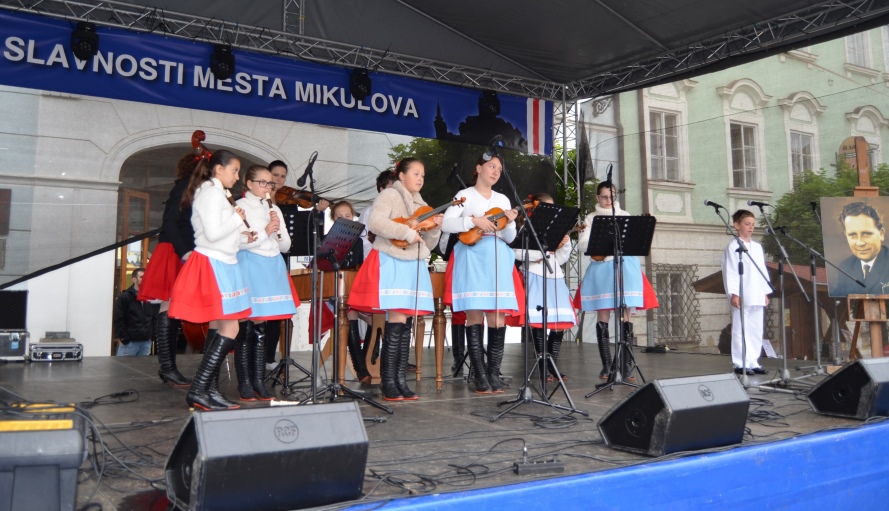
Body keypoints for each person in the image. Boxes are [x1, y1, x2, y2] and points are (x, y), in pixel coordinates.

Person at [348, 158, 442, 401]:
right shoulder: (389, 195)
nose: (420, 178)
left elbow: (429, 244)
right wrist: (407, 232)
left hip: (413, 263)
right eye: (415, 173)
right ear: (401, 176)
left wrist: (434, 229)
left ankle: (399, 380)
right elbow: (376, 223)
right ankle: (388, 381)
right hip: (392, 260)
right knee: (397, 319)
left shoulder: (422, 204)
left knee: (406, 322)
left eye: (423, 175)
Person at [169, 149, 255, 411]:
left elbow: (221, 235)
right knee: (231, 328)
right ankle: (199, 389)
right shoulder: (210, 193)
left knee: (220, 326)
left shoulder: (218, 193)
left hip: (224, 262)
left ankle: (209, 390)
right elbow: (214, 234)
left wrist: (242, 237)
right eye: (234, 171)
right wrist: (237, 218)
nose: (237, 177)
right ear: (218, 169)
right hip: (213, 263)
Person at [441, 153, 522, 394]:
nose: (496, 171)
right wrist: (473, 221)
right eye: (491, 166)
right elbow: (446, 223)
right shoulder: (464, 195)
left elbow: (510, 237)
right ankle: (478, 374)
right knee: (474, 315)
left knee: (497, 316)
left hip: (496, 257)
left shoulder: (503, 199)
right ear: (478, 168)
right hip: (472, 255)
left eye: (499, 169)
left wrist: (511, 222)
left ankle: (493, 373)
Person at [576, 181, 654, 381]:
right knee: (603, 315)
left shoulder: (625, 215)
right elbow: (582, 244)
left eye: (611, 196)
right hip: (602, 268)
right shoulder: (591, 218)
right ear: (597, 197)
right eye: (604, 197)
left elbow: (634, 240)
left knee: (624, 314)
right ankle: (606, 365)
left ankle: (626, 364)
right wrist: (601, 243)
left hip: (624, 266)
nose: (608, 200)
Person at [234, 165, 300, 401]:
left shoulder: (275, 209)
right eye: (262, 182)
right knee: (246, 325)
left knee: (261, 325)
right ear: (249, 184)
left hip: (272, 265)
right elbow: (238, 242)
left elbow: (286, 246)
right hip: (251, 264)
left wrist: (276, 230)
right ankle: (244, 382)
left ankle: (258, 379)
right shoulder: (239, 206)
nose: (267, 187)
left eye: (269, 183)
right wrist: (264, 231)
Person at [137, 153, 197, 385]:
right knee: (169, 307)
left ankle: (168, 368)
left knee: (170, 308)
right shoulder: (183, 187)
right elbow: (170, 223)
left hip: (179, 250)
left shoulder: (191, 188)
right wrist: (184, 252)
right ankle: (167, 367)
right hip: (175, 251)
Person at [514, 193, 576, 382]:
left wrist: (564, 245)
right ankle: (542, 366)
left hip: (555, 277)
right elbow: (518, 253)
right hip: (534, 275)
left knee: (559, 323)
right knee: (539, 322)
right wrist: (542, 254)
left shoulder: (557, 228)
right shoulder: (527, 226)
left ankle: (552, 364)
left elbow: (560, 259)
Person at [722, 209, 771, 375]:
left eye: (752, 224)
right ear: (737, 225)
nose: (751, 227)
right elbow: (730, 271)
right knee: (741, 329)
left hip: (756, 292)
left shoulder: (757, 247)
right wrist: (734, 293)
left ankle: (753, 361)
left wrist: (764, 292)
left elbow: (762, 270)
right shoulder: (733, 247)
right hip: (742, 293)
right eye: (747, 224)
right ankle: (740, 362)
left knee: (756, 329)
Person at [329, 200, 371, 383]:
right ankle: (360, 368)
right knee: (350, 312)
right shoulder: (328, 240)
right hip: (334, 293)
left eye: (348, 215)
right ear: (333, 219)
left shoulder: (359, 242)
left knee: (378, 318)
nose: (345, 219)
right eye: (340, 216)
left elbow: (359, 269)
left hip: (354, 290)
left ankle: (367, 359)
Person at [831, 201, 889, 296]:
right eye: (852, 235)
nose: (860, 243)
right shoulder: (845, 267)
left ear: (881, 234)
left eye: (866, 234)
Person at [113, 268, 157, 356]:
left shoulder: (151, 297)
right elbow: (118, 319)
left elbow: (155, 317)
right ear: (134, 279)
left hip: (146, 342)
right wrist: (124, 338)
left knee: (142, 365)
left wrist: (153, 336)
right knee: (125, 365)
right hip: (130, 343)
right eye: (142, 277)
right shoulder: (125, 297)